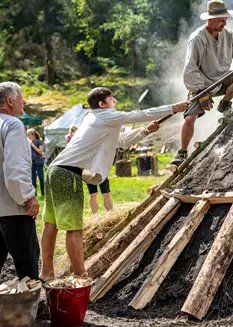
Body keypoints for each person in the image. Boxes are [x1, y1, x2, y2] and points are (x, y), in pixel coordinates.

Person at [40, 87, 189, 280]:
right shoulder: (105, 116)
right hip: (69, 173)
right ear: (102, 104)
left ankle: (46, 272)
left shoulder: (94, 118)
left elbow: (120, 142)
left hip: (55, 170)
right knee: (74, 229)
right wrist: (173, 108)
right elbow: (139, 114)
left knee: (50, 224)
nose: (115, 101)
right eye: (112, 99)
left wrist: (144, 132)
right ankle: (81, 277)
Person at [171, 0, 233, 166]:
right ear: (210, 20)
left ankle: (225, 103)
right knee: (190, 118)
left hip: (224, 80)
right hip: (202, 85)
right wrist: (199, 91)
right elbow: (190, 68)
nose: (224, 23)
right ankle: (181, 153)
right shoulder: (197, 39)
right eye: (220, 20)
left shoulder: (229, 36)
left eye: (225, 19)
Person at [0, 82, 40, 279]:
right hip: (13, 209)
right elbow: (15, 166)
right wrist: (27, 196)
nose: (24, 101)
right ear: (9, 101)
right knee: (27, 270)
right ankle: (28, 310)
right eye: (20, 98)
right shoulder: (12, 124)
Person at [66, 125, 113, 216]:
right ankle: (95, 216)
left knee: (106, 192)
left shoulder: (96, 136)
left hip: (101, 168)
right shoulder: (74, 141)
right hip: (89, 170)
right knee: (93, 193)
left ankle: (111, 215)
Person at [27, 128, 45, 197]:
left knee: (41, 178)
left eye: (29, 135)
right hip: (31, 162)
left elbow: (40, 152)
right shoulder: (28, 143)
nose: (28, 137)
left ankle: (43, 193)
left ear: (33, 135)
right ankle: (34, 194)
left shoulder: (38, 141)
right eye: (27, 135)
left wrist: (33, 145)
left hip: (38, 161)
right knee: (33, 180)